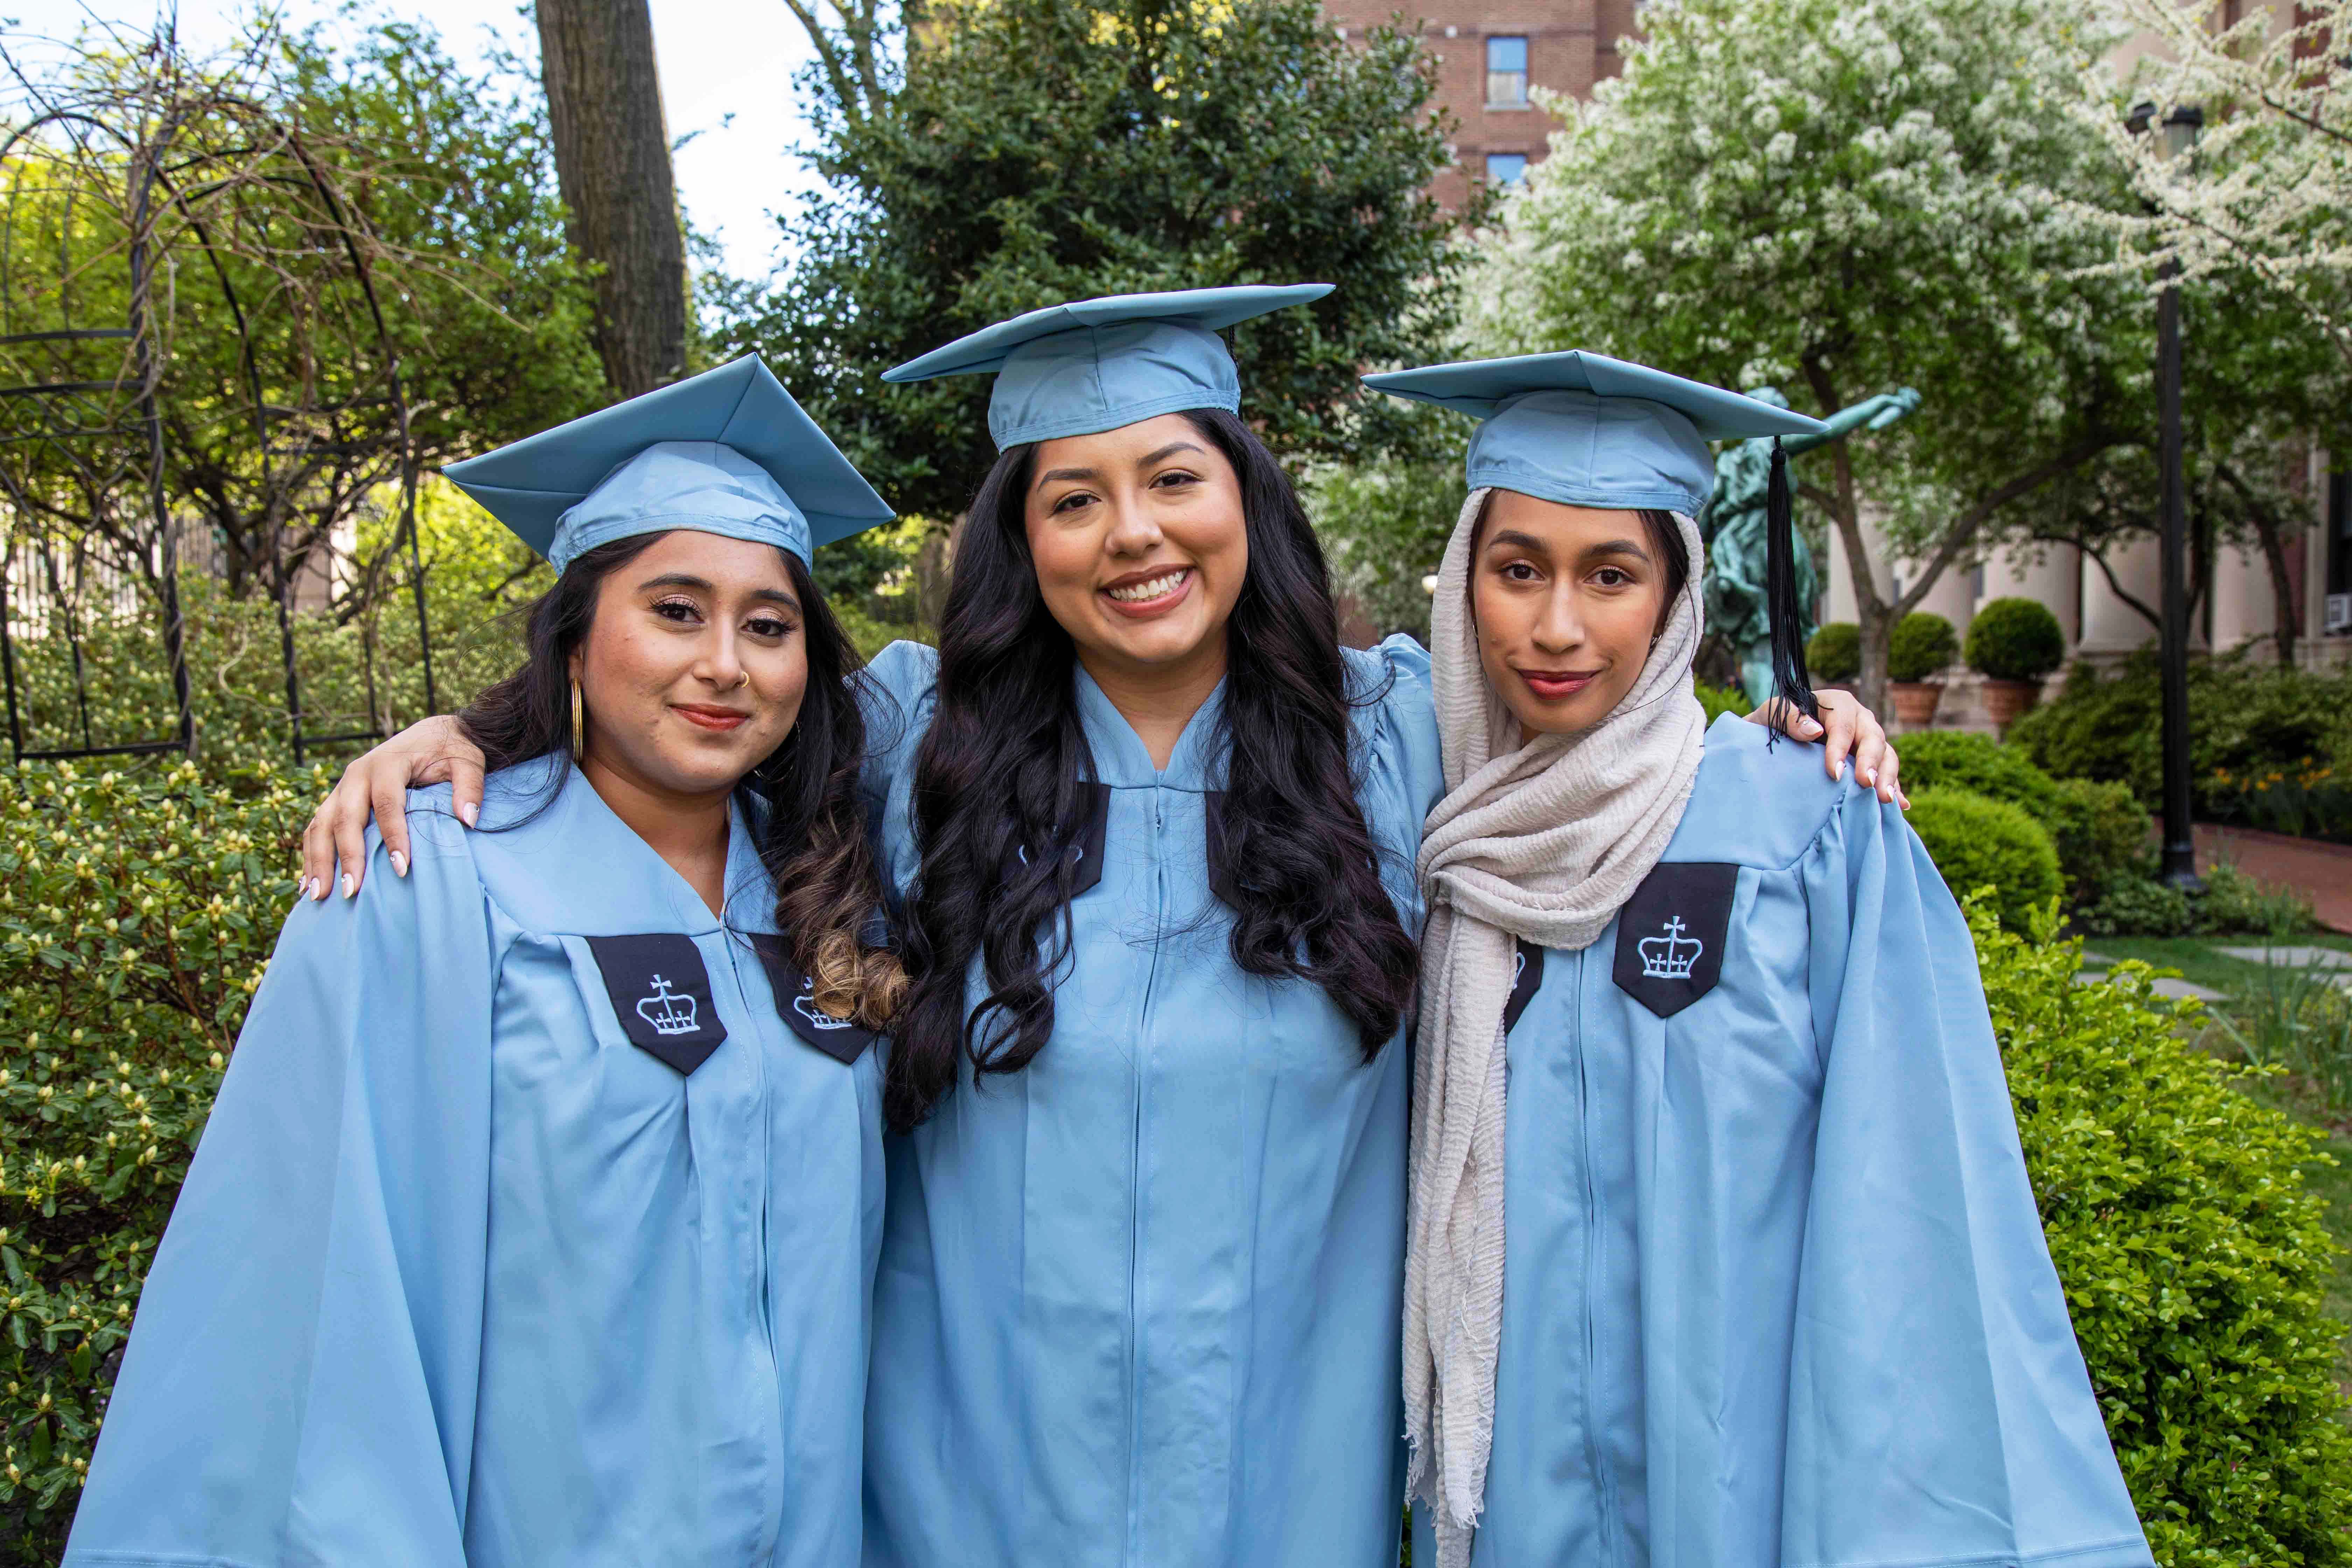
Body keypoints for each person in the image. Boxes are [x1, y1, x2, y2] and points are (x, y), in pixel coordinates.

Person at [296, 291, 1904, 1568]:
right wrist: (469, 744)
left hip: (1288, 1505)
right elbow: (680, 737)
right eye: (1076, 498)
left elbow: (1597, 756)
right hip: (963, 1503)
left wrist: (1795, 744)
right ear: (1024, 537)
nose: (1133, 534)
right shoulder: (908, 744)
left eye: (1175, 480)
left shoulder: (1393, 741)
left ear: (1245, 500)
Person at [64, 357, 905, 1568]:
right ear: (575, 643)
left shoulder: (836, 890)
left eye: (768, 627)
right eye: (675, 610)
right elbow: (317, 1286)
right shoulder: (428, 884)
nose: (727, 662)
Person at [1363, 351, 2151, 1568]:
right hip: (1498, 1484)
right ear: (1467, 578)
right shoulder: (1417, 805)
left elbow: (1912, 1202)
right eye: (1517, 570)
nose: (1557, 625)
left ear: (1678, 598)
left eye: (1611, 575)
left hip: (1730, 1483)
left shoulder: (1805, 825)